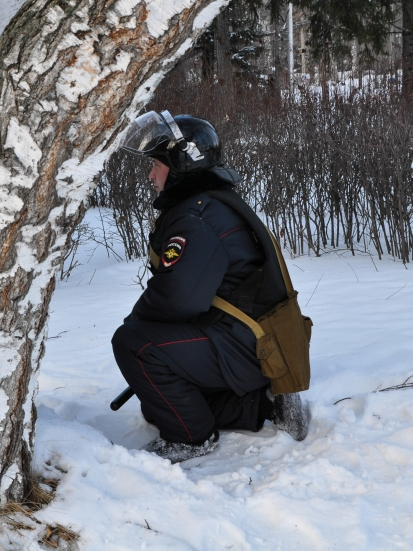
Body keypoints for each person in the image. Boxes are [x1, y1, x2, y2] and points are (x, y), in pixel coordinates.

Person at [111, 110, 309, 464]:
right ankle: (260, 406)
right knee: (158, 404)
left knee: (133, 345)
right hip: (255, 339)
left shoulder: (196, 219)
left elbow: (177, 298)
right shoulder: (212, 203)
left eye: (157, 164)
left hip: (249, 344)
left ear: (180, 166)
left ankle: (189, 439)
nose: (151, 174)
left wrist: (135, 326)